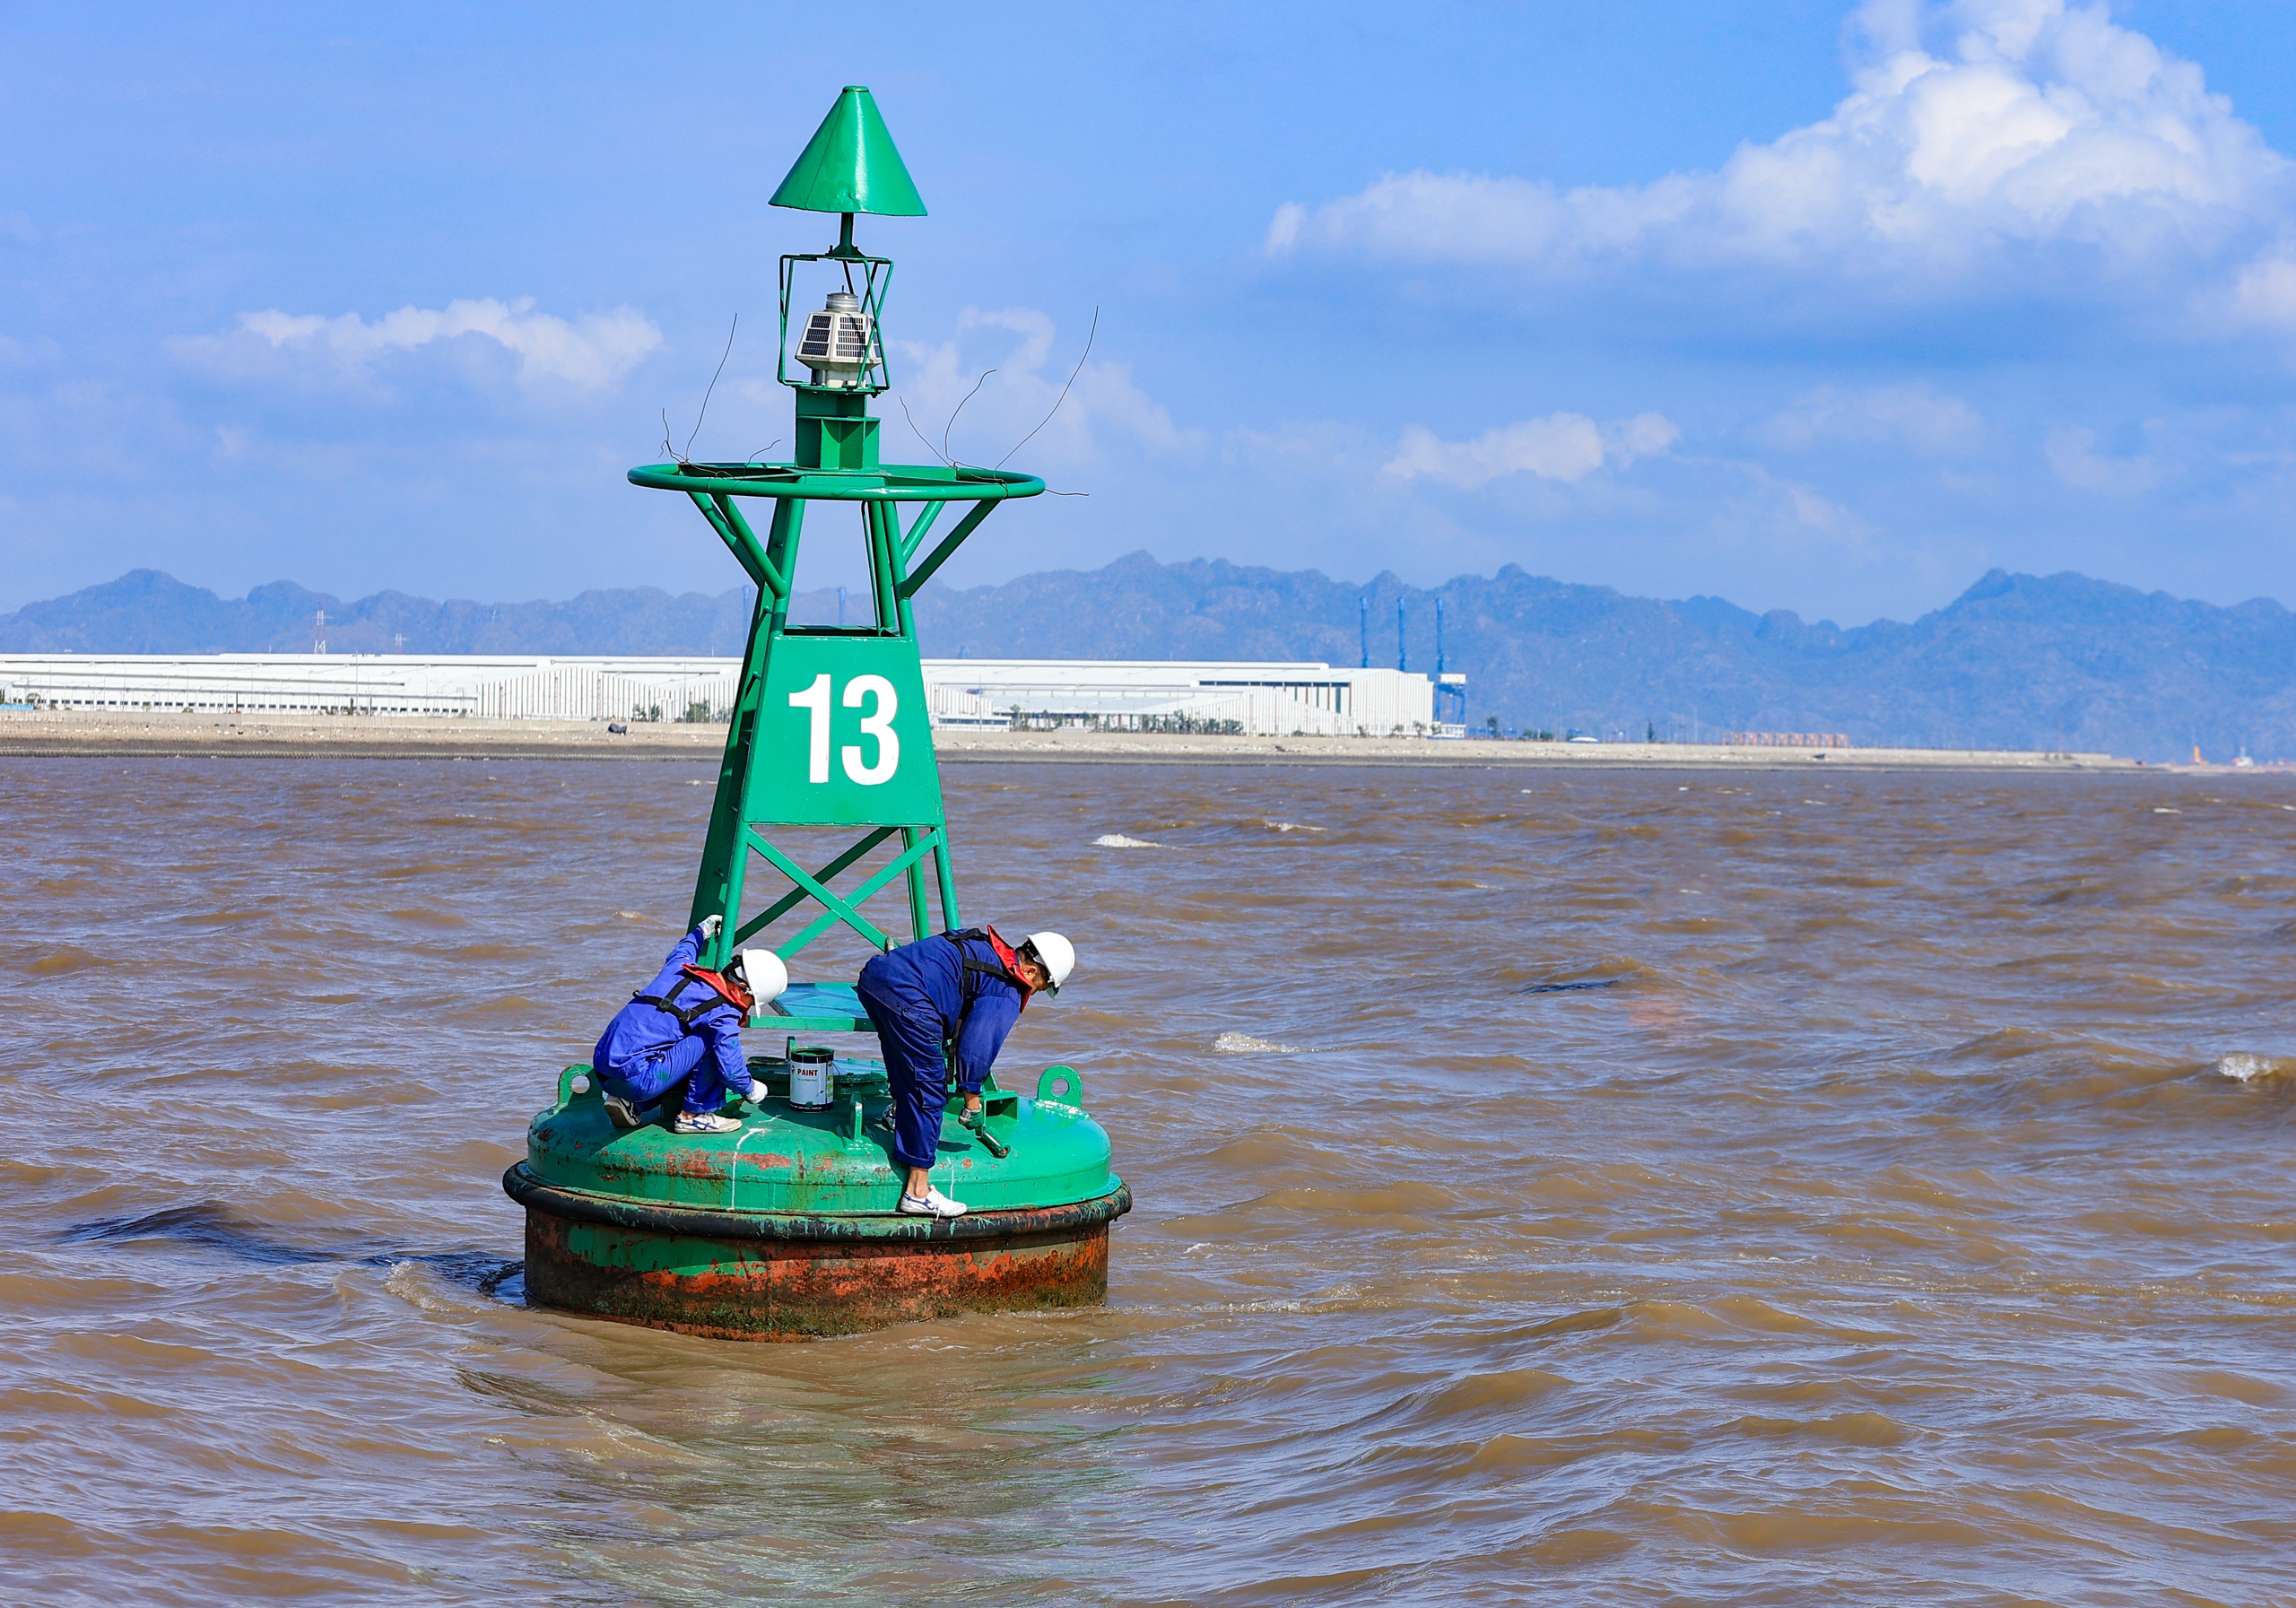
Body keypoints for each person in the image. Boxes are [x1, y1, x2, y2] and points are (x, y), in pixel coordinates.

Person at [857, 926, 1076, 1218]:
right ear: (1033, 972)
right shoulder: (1007, 987)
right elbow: (976, 1047)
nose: (1037, 992)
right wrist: (972, 1099)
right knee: (930, 1091)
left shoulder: (982, 945)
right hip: (910, 996)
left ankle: (897, 1112)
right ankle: (917, 1192)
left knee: (902, 1052)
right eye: (1043, 987)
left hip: (875, 977)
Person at [591, 915, 787, 1135]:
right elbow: (730, 1069)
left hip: (602, 1071)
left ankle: (630, 1103)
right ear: (743, 988)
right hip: (637, 1081)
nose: (748, 1009)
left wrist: (702, 931)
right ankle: (693, 1117)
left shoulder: (679, 969)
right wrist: (750, 1089)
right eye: (752, 1003)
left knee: (672, 1041)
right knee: (710, 1041)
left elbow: (683, 949)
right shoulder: (724, 1013)